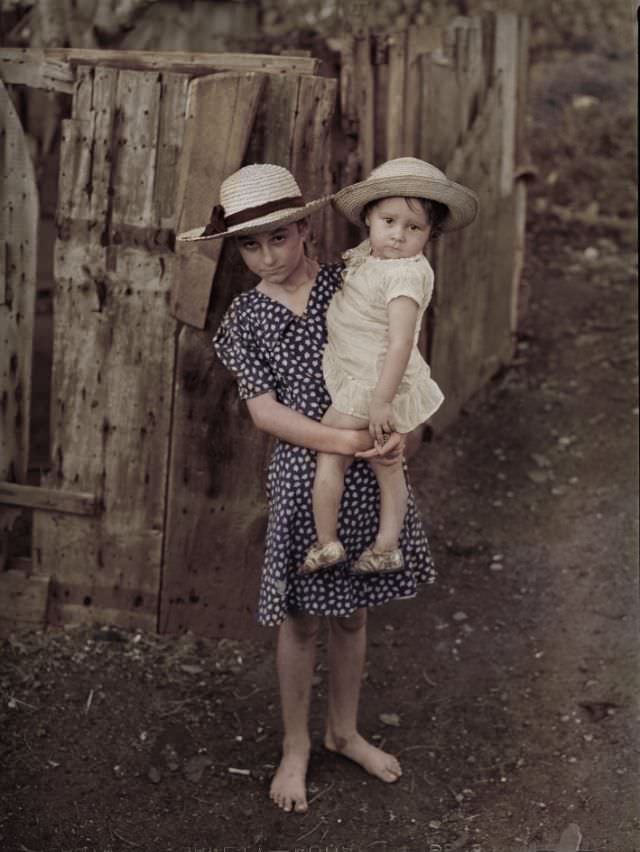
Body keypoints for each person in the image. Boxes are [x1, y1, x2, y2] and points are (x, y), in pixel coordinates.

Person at [177, 163, 439, 814]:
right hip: (306, 473)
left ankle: (343, 730)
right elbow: (264, 413)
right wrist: (344, 444)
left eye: (279, 238)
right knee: (299, 618)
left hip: (367, 463)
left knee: (351, 611)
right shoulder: (247, 317)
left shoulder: (349, 281)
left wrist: (397, 435)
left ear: (305, 231)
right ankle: (296, 745)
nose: (267, 256)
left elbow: (396, 355)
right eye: (249, 245)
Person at [303, 158, 479, 575]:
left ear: (430, 235)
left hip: (370, 386)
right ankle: (386, 546)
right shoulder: (373, 257)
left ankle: (327, 541)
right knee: (388, 464)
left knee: (329, 454)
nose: (398, 235)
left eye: (414, 228)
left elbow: (403, 340)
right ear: (369, 217)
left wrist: (381, 401)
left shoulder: (404, 275)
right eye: (389, 220)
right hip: (370, 380)